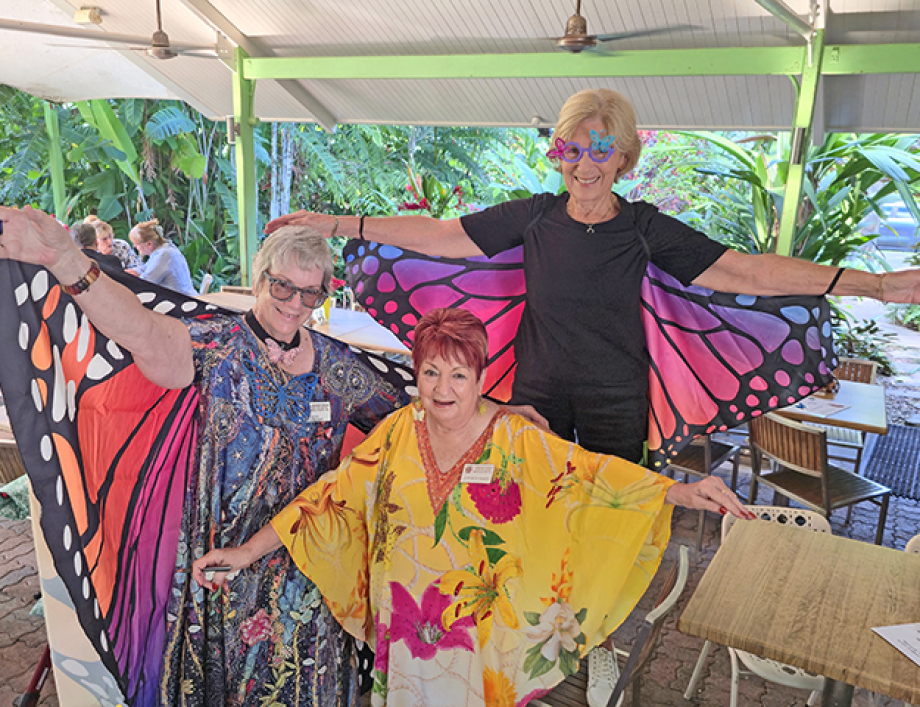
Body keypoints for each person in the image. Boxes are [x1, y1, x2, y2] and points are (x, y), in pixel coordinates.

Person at [264, 87, 920, 705]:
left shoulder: (643, 228)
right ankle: (524, 628)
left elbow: (746, 268)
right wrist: (335, 220)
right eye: (570, 149)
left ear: (625, 158)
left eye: (600, 150)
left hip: (616, 399)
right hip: (538, 394)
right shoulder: (535, 217)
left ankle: (599, 638)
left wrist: (878, 285)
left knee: (611, 518)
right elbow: (440, 235)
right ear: (558, 154)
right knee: (523, 514)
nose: (583, 165)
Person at [192, 307, 756, 707]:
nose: (442, 388)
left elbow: (586, 476)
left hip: (478, 641)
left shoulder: (516, 438)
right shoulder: (395, 433)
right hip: (406, 631)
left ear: (482, 378)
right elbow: (326, 498)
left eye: (458, 375)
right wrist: (245, 551)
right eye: (430, 372)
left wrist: (677, 491)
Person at [0, 206, 414, 706]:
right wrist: (66, 260)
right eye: (283, 287)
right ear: (261, 280)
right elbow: (139, 330)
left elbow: (412, 418)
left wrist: (498, 417)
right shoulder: (217, 347)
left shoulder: (335, 365)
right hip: (222, 576)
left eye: (311, 292)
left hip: (311, 581)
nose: (295, 303)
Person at [129, 217, 197, 295]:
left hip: (182, 299)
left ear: (149, 244)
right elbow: (146, 268)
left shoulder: (164, 255)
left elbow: (146, 283)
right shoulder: (164, 249)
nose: (134, 246)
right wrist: (132, 272)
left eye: (136, 244)